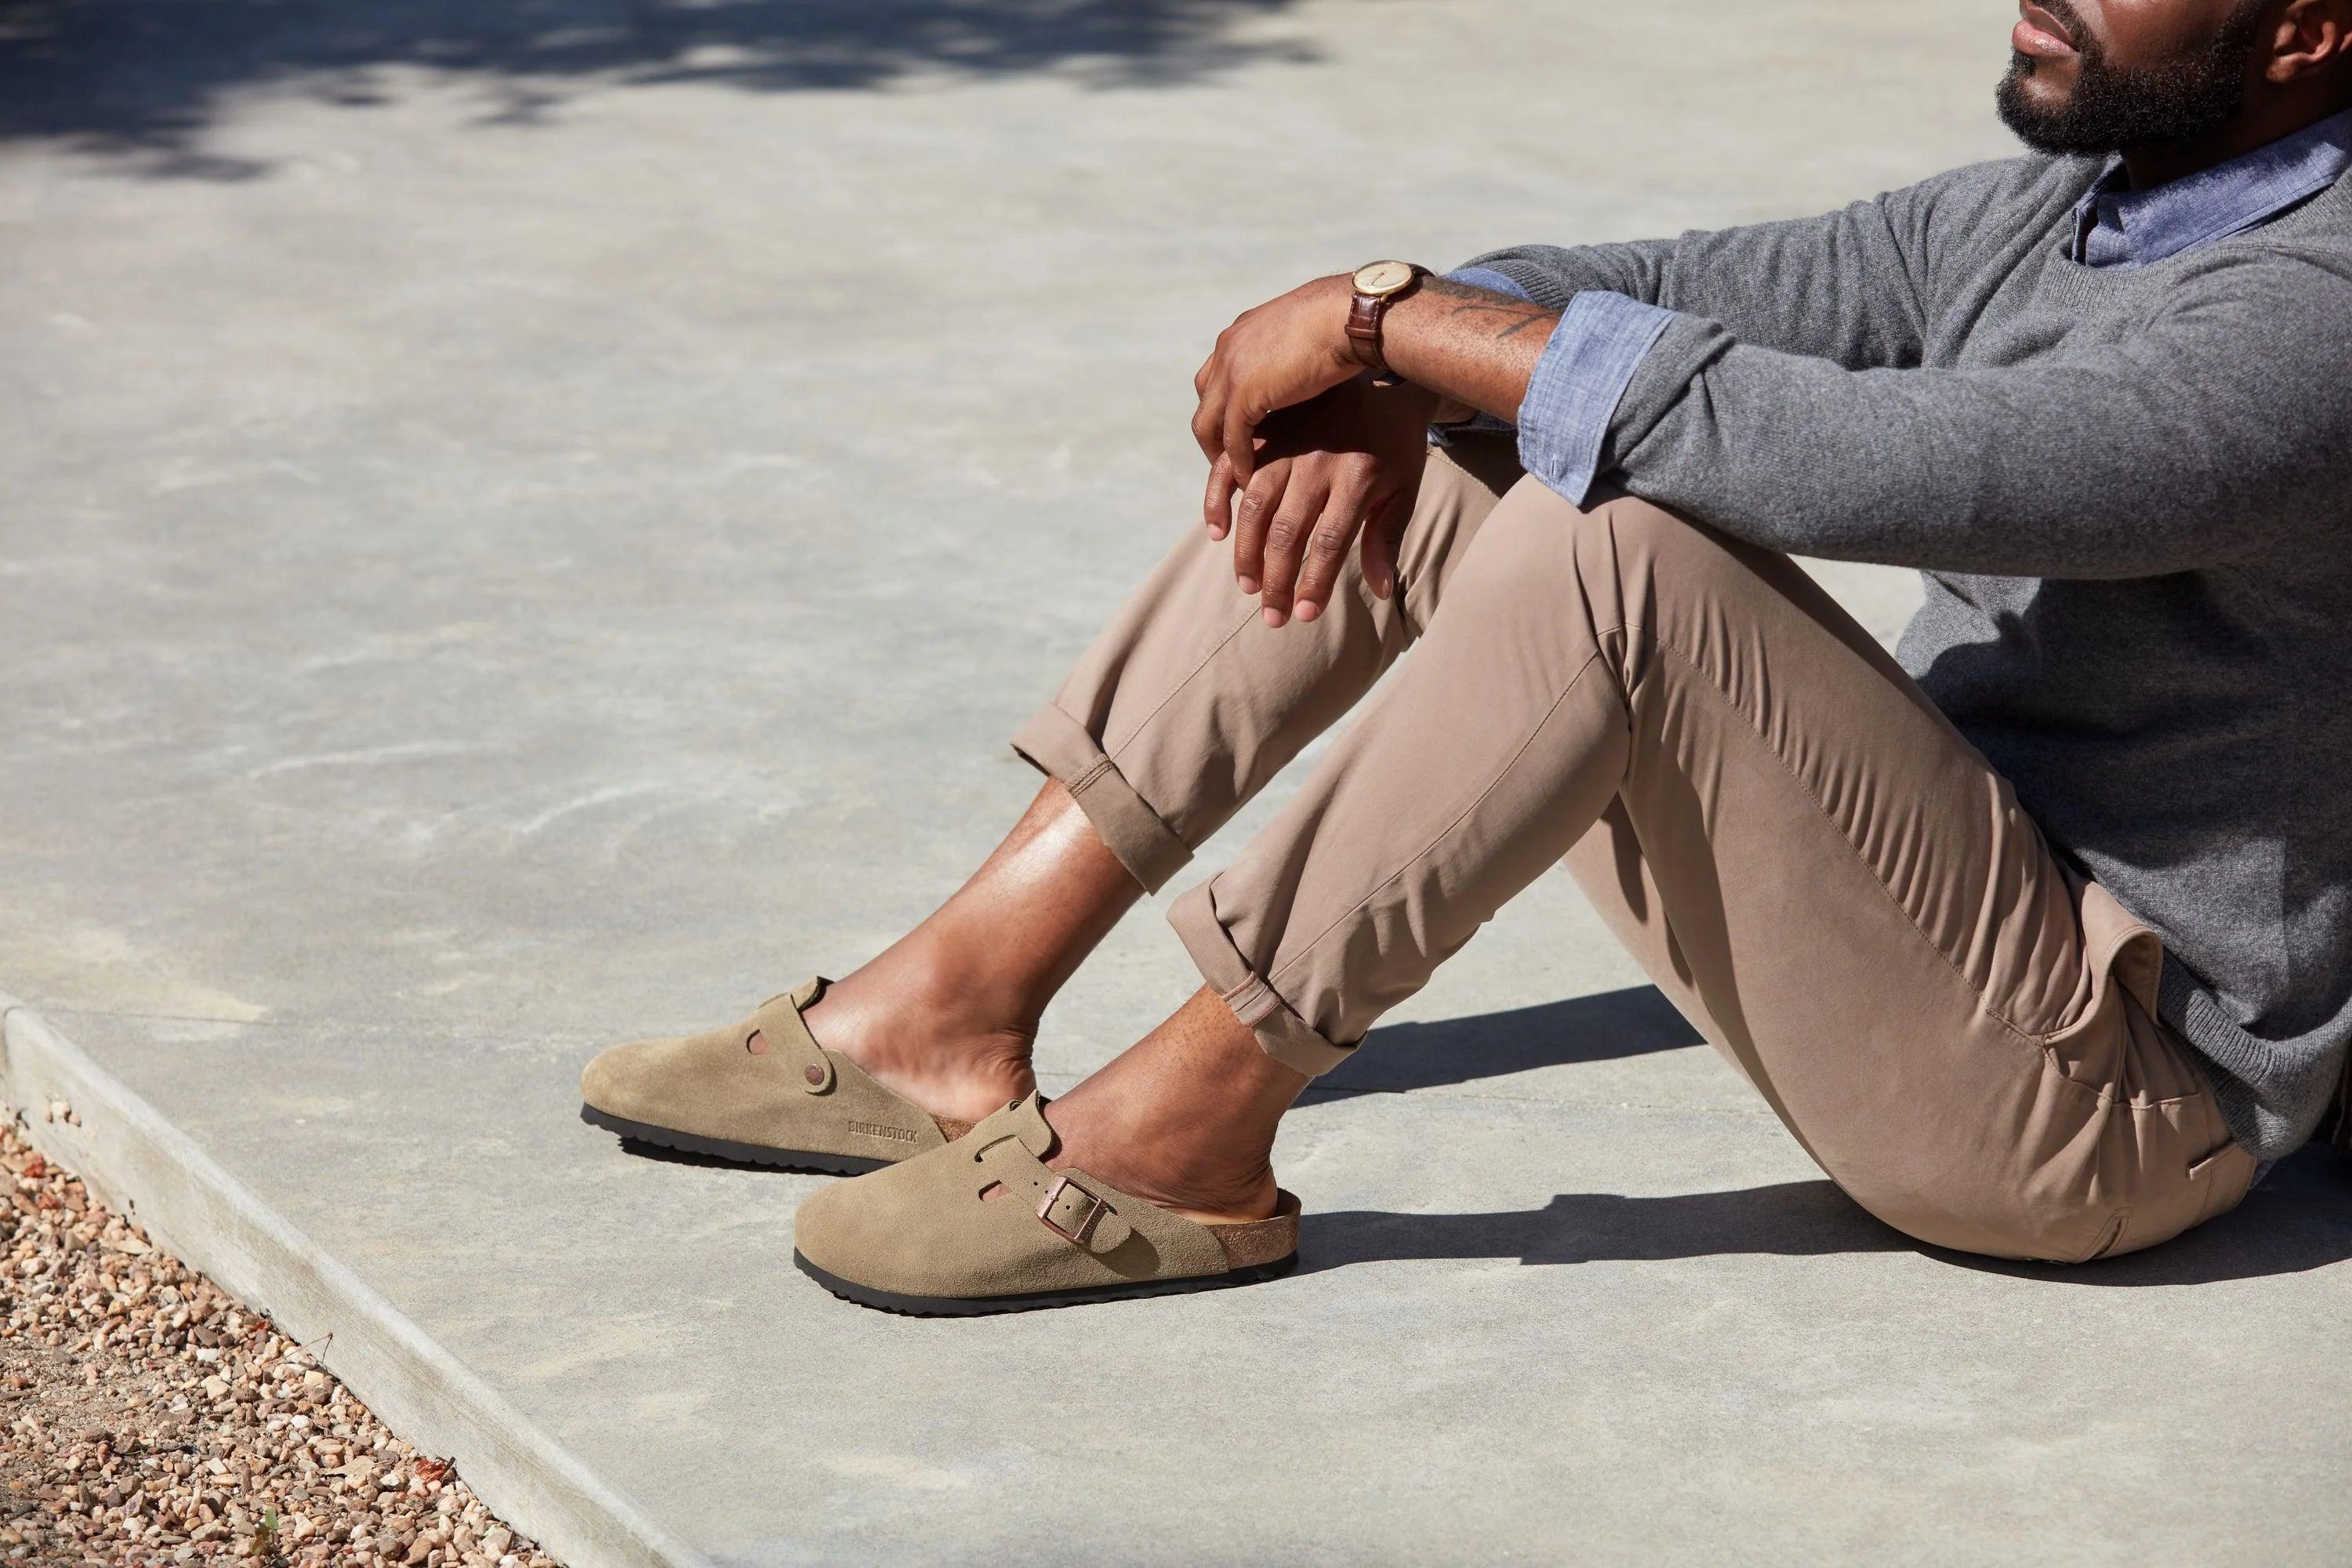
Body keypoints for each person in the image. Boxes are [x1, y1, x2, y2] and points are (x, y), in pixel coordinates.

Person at [581, 0, 2352, 1313]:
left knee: (1619, 534)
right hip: (1935, 932)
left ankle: (1190, 1130)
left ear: (2305, 31)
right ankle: (945, 1013)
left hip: (2107, 1107)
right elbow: (1666, 286)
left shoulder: (2313, 320)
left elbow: (1905, 469)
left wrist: (1392, 325)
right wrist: (1401, 354)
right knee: (1462, 445)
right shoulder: (2080, 205)